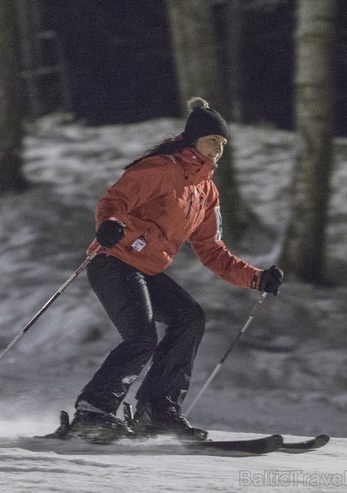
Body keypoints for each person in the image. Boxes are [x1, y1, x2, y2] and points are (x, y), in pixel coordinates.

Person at [68, 97, 284, 441]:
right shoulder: (161, 169)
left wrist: (255, 277)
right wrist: (108, 223)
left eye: (223, 143)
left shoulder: (207, 191)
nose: (218, 148)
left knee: (190, 317)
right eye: (213, 140)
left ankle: (157, 410)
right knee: (141, 339)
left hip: (148, 270)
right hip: (114, 261)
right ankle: (93, 412)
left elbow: (212, 249)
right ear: (193, 139)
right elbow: (116, 200)